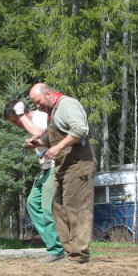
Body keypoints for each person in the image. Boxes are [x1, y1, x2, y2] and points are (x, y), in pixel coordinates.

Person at [27, 83, 96, 263]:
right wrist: (40, 143)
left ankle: (79, 255)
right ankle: (67, 253)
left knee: (77, 210)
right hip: (63, 166)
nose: (37, 106)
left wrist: (57, 147)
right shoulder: (54, 111)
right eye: (34, 103)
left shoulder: (67, 105)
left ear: (48, 93)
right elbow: (56, 139)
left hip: (79, 164)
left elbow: (80, 130)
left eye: (38, 101)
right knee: (58, 209)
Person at [4, 99, 65, 263]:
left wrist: (21, 115)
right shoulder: (31, 121)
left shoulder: (39, 116)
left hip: (55, 166)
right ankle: (56, 242)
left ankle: (57, 249)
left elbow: (40, 132)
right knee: (32, 203)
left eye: (15, 121)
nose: (16, 125)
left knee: (47, 207)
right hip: (45, 168)